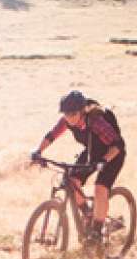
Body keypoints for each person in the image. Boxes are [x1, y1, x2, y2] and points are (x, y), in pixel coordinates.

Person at [31, 90, 125, 247]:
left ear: (82, 111)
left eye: (73, 114)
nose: (69, 117)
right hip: (92, 152)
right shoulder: (67, 121)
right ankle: (89, 214)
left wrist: (104, 160)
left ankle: (97, 232)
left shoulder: (96, 121)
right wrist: (38, 151)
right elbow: (52, 135)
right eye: (66, 114)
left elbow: (118, 145)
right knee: (71, 181)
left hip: (112, 154)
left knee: (100, 188)